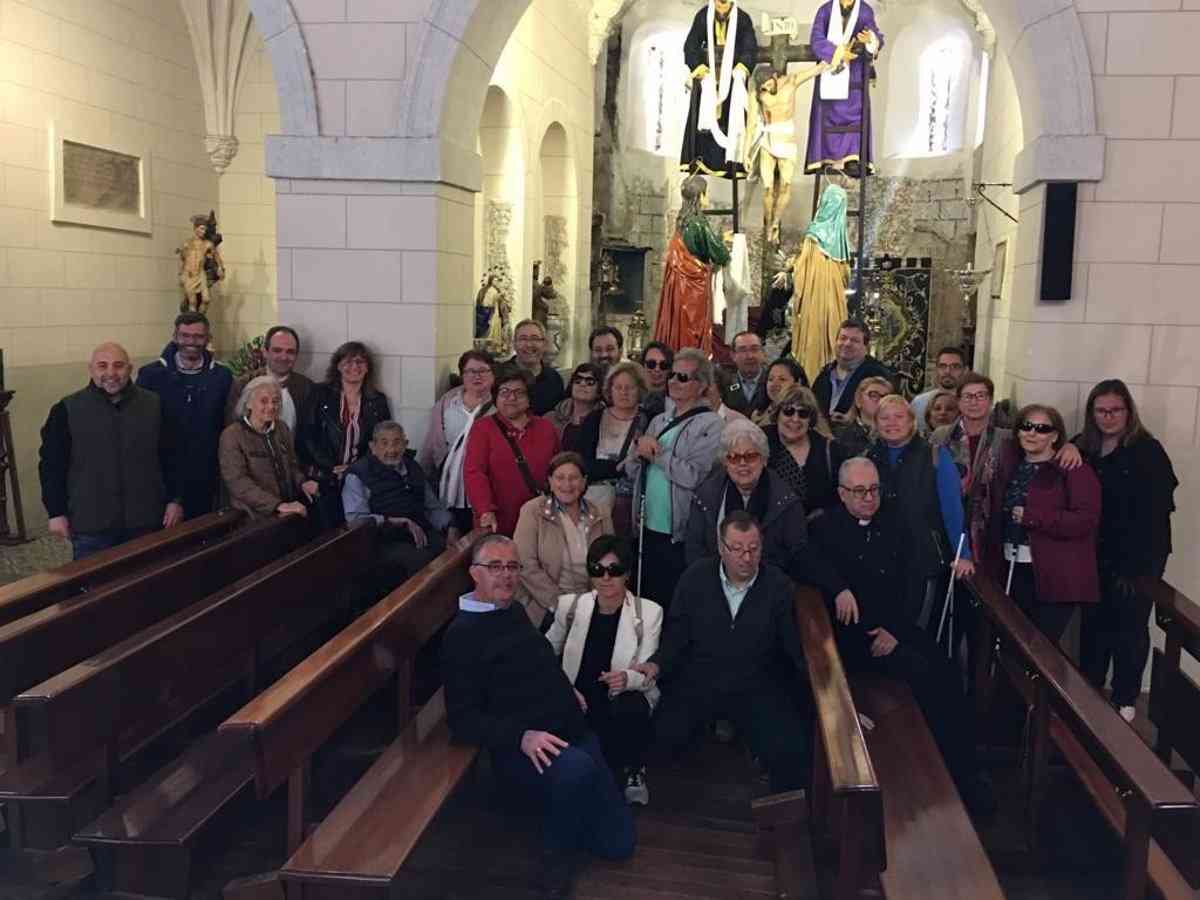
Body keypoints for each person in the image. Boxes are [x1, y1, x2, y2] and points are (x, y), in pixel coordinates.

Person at [443, 535, 635, 899]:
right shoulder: (461, 635)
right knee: (577, 771)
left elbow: (543, 657)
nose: (506, 575)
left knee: (619, 844)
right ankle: (553, 860)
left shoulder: (512, 611)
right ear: (474, 573)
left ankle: (562, 811)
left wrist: (566, 688)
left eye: (512, 566)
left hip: (570, 729)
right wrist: (521, 737)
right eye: (495, 567)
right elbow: (462, 720)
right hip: (526, 749)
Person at [812, 458, 992, 814]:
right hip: (857, 641)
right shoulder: (823, 528)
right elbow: (804, 561)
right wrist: (838, 588)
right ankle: (949, 780)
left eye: (874, 489)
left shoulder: (895, 523)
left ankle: (965, 771)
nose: (869, 498)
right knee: (926, 676)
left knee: (947, 669)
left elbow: (911, 583)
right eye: (859, 491)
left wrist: (895, 630)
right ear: (842, 494)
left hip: (895, 628)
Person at [635, 512, 811, 793]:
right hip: (701, 679)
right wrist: (656, 664)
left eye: (753, 549)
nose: (746, 558)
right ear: (721, 547)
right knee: (661, 738)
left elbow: (793, 648)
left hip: (756, 684)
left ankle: (784, 810)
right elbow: (677, 635)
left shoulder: (778, 585)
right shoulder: (695, 578)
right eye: (737, 549)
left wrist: (824, 693)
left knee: (789, 750)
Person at [1075, 381, 1177, 722]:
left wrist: (1136, 567)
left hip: (1137, 556)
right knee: (1093, 624)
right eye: (1101, 411)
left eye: (1115, 410)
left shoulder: (1148, 450)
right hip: (1095, 552)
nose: (1108, 417)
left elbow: (1158, 512)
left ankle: (1125, 697)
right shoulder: (1085, 446)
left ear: (1128, 412)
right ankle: (1090, 690)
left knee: (1129, 626)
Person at [546, 535, 664, 804]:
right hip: (579, 694)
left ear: (627, 574)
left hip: (618, 696)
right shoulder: (571, 606)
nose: (606, 577)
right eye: (597, 570)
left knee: (632, 706)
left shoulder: (649, 613)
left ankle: (634, 770)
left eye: (615, 570)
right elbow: (546, 651)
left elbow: (648, 673)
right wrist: (562, 687)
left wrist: (626, 678)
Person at [39, 342, 184, 560]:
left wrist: (175, 500)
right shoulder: (66, 409)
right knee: (95, 581)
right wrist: (56, 512)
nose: (111, 373)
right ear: (91, 370)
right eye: (102, 366)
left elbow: (172, 457)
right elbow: (52, 466)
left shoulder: (155, 405)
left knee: (148, 578)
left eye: (118, 365)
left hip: (145, 520)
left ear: (130, 369)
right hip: (91, 524)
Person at [980, 404, 1101, 647]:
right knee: (1012, 646)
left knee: (1039, 650)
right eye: (1026, 426)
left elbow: (1086, 520)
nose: (1032, 433)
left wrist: (1034, 517)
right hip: (1010, 566)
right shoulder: (1010, 463)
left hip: (1054, 575)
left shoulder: (1073, 468)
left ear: (1055, 436)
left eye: (1042, 429)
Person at [624, 348, 723, 610]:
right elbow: (633, 471)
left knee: (673, 602)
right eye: (672, 375)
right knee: (645, 600)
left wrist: (657, 454)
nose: (673, 381)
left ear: (701, 385)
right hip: (646, 526)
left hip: (678, 532)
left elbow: (695, 476)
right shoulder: (658, 420)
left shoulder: (711, 424)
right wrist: (637, 452)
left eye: (683, 377)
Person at [866, 395, 974, 627]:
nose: (892, 423)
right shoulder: (868, 456)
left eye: (898, 417)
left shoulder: (935, 455)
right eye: (884, 417)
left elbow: (952, 509)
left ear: (912, 421)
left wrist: (963, 554)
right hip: (879, 558)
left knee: (916, 629)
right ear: (875, 422)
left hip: (923, 560)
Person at [685, 420, 815, 580]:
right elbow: (694, 547)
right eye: (734, 457)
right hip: (713, 583)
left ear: (764, 459)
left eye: (750, 456)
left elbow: (797, 555)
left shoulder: (787, 500)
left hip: (768, 585)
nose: (742, 463)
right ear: (725, 463)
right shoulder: (705, 495)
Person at [136, 313, 233, 519]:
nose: (191, 342)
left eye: (198, 336)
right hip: (162, 476)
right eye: (185, 335)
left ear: (208, 338)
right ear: (175, 336)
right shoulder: (151, 375)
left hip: (206, 474)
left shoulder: (222, 377)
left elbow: (226, 423)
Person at [343, 421, 458, 594]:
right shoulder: (358, 474)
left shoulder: (413, 467)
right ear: (372, 447)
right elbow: (356, 520)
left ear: (405, 444)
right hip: (384, 541)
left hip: (421, 533)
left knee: (452, 554)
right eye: (384, 443)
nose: (391, 449)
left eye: (397, 442)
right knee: (422, 562)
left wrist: (450, 525)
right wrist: (395, 521)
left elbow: (432, 507)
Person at [514, 452, 615, 628]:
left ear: (584, 482)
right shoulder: (532, 511)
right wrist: (561, 604)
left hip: (592, 605)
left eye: (574, 478)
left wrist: (599, 604)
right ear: (550, 481)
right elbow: (525, 564)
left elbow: (612, 562)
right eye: (560, 478)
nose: (567, 485)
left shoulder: (601, 513)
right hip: (546, 607)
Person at [297, 341, 392, 526]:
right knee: (328, 531)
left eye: (360, 362)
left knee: (357, 529)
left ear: (367, 368)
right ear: (338, 366)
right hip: (323, 476)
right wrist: (331, 467)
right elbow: (306, 437)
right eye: (348, 361)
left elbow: (382, 441)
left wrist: (354, 468)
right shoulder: (319, 393)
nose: (354, 367)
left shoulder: (378, 401)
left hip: (360, 478)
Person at [464, 366, 561, 537]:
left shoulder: (546, 428)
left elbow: (559, 470)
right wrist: (485, 510)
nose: (511, 398)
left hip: (540, 518)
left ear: (529, 398)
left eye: (519, 392)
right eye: (504, 392)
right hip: (497, 520)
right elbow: (475, 473)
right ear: (496, 397)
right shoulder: (483, 428)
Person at [220, 376, 319, 520]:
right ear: (248, 404)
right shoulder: (232, 435)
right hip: (252, 517)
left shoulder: (282, 429)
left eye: (275, 401)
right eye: (264, 401)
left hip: (287, 510)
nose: (271, 406)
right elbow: (238, 482)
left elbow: (292, 466)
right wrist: (277, 505)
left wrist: (303, 482)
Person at [418, 350, 496, 533]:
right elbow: (431, 445)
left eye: (483, 371)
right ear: (462, 375)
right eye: (470, 371)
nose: (477, 376)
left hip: (485, 487)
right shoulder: (447, 402)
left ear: (493, 374)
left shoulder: (500, 405)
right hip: (448, 485)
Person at [805, 0, 884, 176]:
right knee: (827, 115)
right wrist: (838, 53)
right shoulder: (825, 11)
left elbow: (876, 37)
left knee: (855, 115)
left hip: (854, 75)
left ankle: (852, 158)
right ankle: (825, 157)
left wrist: (870, 39)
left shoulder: (864, 11)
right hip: (830, 71)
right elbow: (816, 39)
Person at [680, 0, 758, 178]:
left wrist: (741, 68)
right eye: (718, 3)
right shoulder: (703, 16)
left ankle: (730, 164)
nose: (721, 8)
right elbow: (690, 46)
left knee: (729, 119)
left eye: (724, 4)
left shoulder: (743, 19)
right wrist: (699, 67)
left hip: (732, 81)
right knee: (703, 122)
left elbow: (750, 48)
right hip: (707, 80)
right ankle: (701, 161)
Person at [652, 174, 729, 356]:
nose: (708, 197)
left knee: (678, 322)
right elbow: (719, 253)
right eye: (706, 193)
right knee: (692, 326)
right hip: (694, 287)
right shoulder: (698, 222)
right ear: (700, 195)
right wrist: (724, 242)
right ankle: (692, 359)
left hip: (678, 284)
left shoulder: (681, 221)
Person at [574, 361, 650, 527]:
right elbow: (582, 462)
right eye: (618, 387)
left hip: (633, 502)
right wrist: (618, 467)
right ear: (610, 390)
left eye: (630, 388)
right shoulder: (594, 419)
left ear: (640, 390)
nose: (624, 392)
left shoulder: (649, 420)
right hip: (596, 498)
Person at [788, 184, 851, 381]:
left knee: (814, 336)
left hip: (814, 300)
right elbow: (846, 275)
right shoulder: (840, 241)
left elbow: (801, 271)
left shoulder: (813, 236)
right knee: (833, 332)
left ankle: (815, 377)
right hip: (834, 300)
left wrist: (791, 268)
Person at [765, 384, 848, 518]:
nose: (795, 419)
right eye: (788, 411)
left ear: (810, 419)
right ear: (777, 413)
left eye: (803, 413)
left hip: (819, 528)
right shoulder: (760, 441)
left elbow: (842, 499)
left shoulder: (830, 451)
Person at [226, 325, 314, 432]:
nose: (284, 357)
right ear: (265, 352)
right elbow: (232, 427)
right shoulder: (243, 384)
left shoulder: (307, 388)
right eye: (277, 350)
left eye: (290, 352)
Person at [811, 319, 894, 423]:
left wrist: (853, 419)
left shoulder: (877, 374)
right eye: (843, 338)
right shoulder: (825, 373)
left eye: (854, 340)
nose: (847, 344)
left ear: (866, 347)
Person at [510, 319, 565, 415]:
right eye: (523, 339)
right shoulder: (498, 375)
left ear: (544, 344)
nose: (529, 345)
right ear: (514, 344)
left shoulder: (554, 379)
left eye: (535, 339)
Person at [831, 374, 891, 455]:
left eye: (886, 397)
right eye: (874, 395)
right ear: (858, 400)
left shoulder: (897, 434)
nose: (881, 400)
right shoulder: (838, 436)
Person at [911, 346, 966, 433]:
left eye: (955, 366)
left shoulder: (971, 404)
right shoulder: (919, 403)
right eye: (943, 366)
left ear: (965, 370)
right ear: (936, 369)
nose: (948, 371)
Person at [549, 363, 604, 448]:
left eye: (590, 382)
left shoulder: (605, 421)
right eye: (578, 380)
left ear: (599, 390)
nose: (582, 384)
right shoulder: (550, 418)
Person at [721, 331, 769, 415]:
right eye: (742, 350)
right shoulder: (723, 384)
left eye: (754, 349)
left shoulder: (772, 382)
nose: (749, 356)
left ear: (763, 353)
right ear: (733, 355)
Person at [751, 357, 809, 425]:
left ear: (798, 384)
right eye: (770, 379)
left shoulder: (804, 415)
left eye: (782, 379)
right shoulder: (758, 414)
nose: (774, 384)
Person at [639, 342, 673, 420]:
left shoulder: (677, 401)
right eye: (651, 364)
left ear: (670, 368)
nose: (657, 369)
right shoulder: (631, 396)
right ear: (642, 365)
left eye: (663, 365)